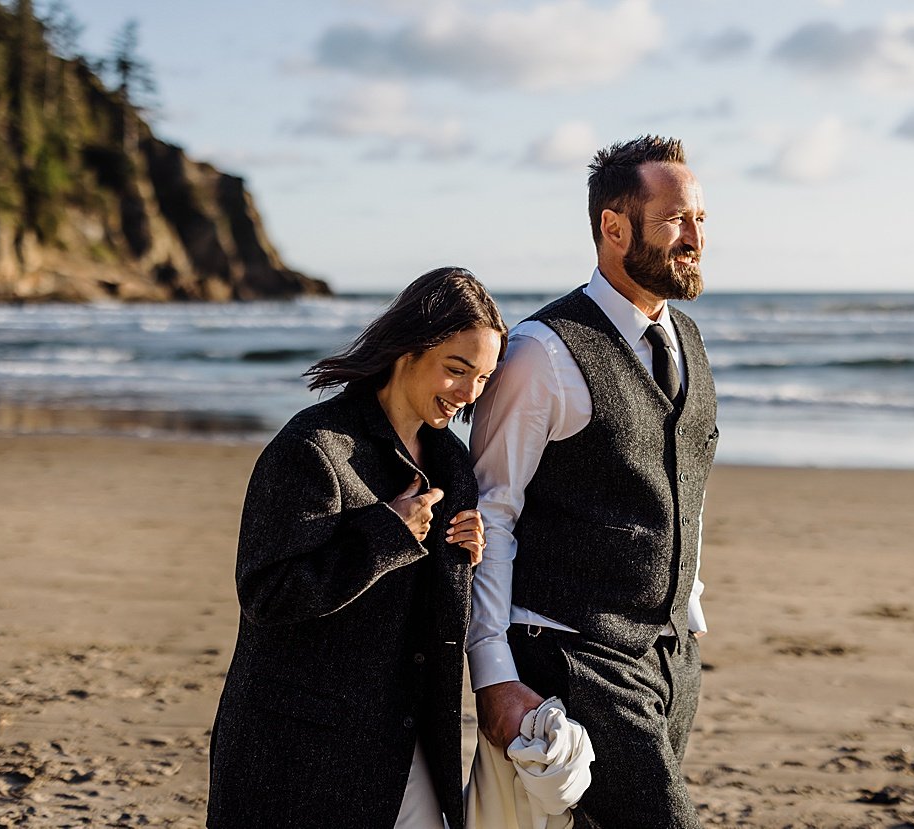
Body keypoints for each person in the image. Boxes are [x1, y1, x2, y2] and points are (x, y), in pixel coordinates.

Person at [467, 135, 717, 827]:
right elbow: (493, 514)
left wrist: (687, 610)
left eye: (701, 217)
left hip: (670, 658)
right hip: (571, 653)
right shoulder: (540, 352)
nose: (696, 236)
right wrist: (493, 674)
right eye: (677, 219)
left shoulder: (688, 339)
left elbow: (682, 482)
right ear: (614, 226)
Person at [209, 267, 506, 829]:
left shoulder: (452, 463)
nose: (469, 394)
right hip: (299, 752)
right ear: (408, 352)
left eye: (485, 378)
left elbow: (427, 608)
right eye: (457, 370)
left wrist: (465, 553)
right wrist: (385, 534)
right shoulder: (314, 449)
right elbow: (268, 595)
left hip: (409, 738)